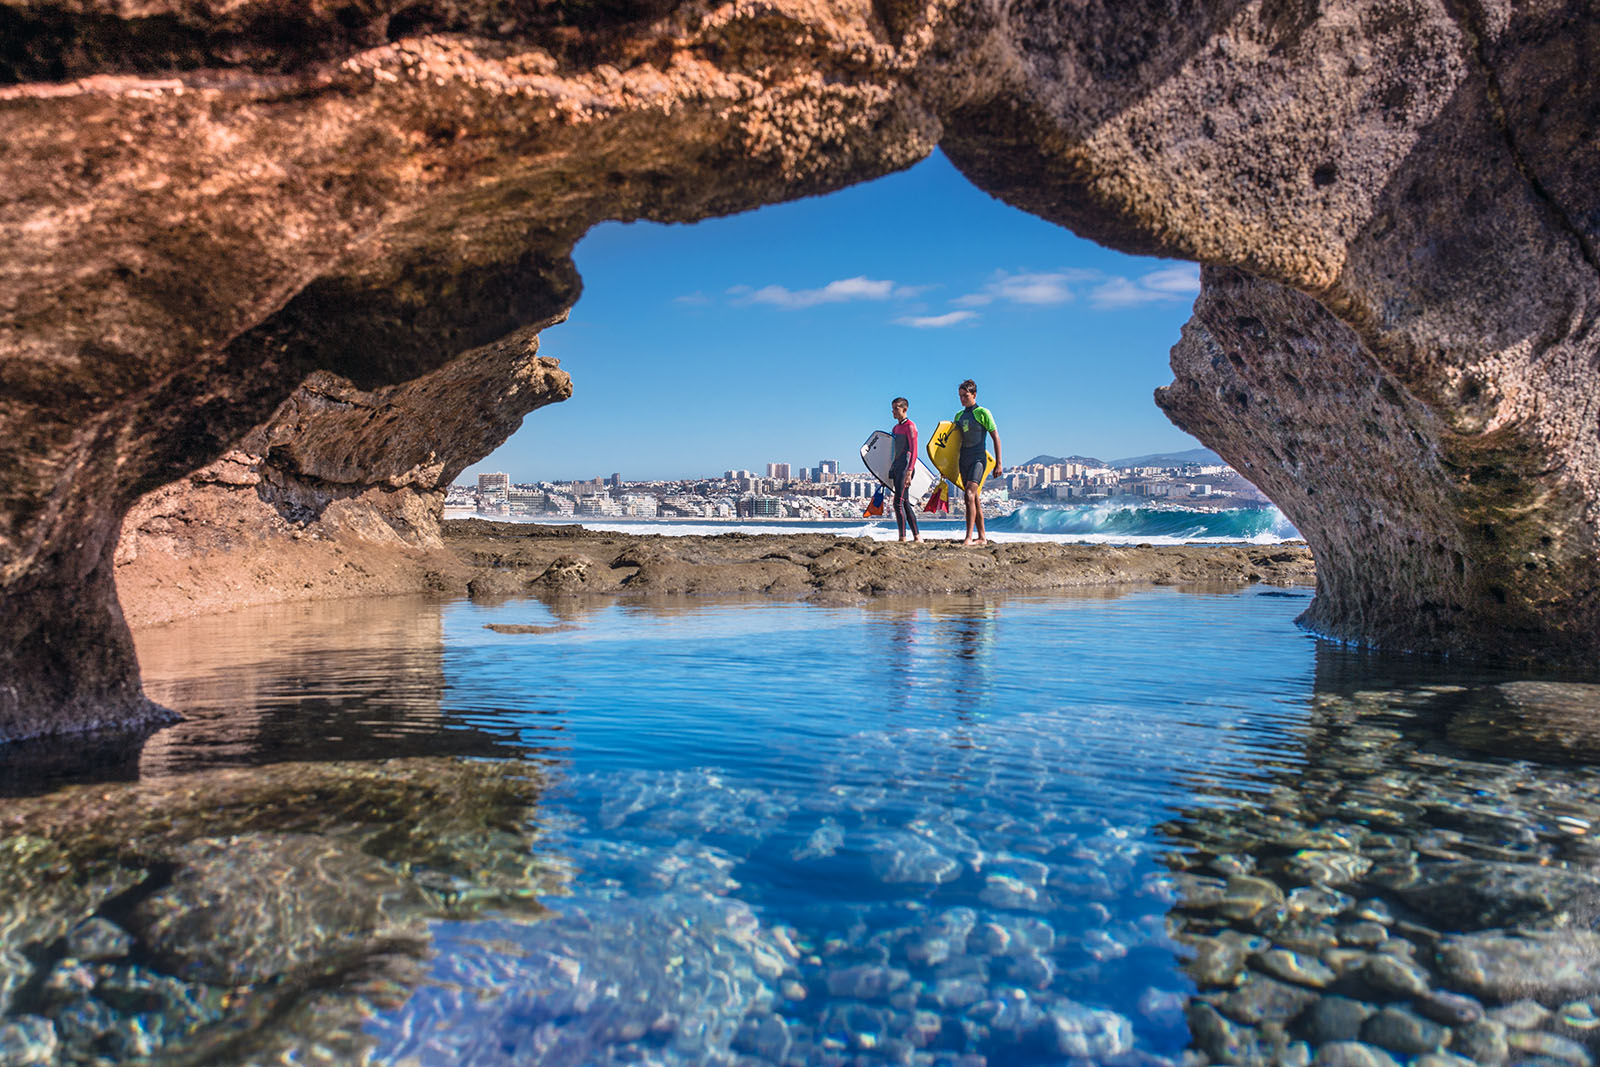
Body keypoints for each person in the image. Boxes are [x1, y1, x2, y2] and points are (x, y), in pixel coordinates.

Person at [953, 379, 1001, 545]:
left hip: (978, 459)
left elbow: (996, 437)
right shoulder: (958, 416)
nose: (962, 400)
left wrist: (998, 463)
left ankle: (968, 537)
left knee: (969, 495)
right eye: (960, 396)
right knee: (975, 498)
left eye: (965, 396)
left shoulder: (983, 413)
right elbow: (953, 444)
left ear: (974, 394)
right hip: (963, 459)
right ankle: (982, 537)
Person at [889, 397, 922, 542]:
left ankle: (902, 537)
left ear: (905, 409)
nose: (893, 411)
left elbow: (914, 451)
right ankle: (917, 537)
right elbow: (893, 451)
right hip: (897, 467)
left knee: (898, 502)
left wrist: (909, 471)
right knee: (905, 502)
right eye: (893, 408)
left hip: (906, 468)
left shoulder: (910, 426)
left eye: (896, 408)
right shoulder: (895, 429)